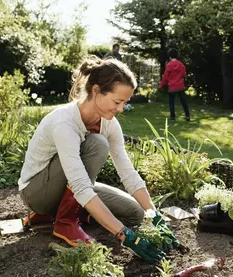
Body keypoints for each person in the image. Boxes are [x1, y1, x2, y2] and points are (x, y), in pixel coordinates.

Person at [17, 55, 178, 264]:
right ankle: (65, 222)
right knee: (97, 144)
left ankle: (52, 216)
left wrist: (153, 215)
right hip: (37, 193)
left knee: (135, 213)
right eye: (117, 101)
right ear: (96, 91)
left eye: (125, 103)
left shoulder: (109, 124)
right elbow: (81, 186)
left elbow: (127, 173)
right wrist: (124, 235)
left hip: (70, 187)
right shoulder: (64, 123)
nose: (121, 109)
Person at [159, 48, 190, 122]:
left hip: (172, 87)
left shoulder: (169, 65)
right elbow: (184, 74)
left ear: (169, 56)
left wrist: (161, 86)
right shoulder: (181, 64)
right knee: (184, 102)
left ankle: (173, 117)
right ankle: (187, 115)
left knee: (171, 103)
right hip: (180, 86)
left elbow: (165, 77)